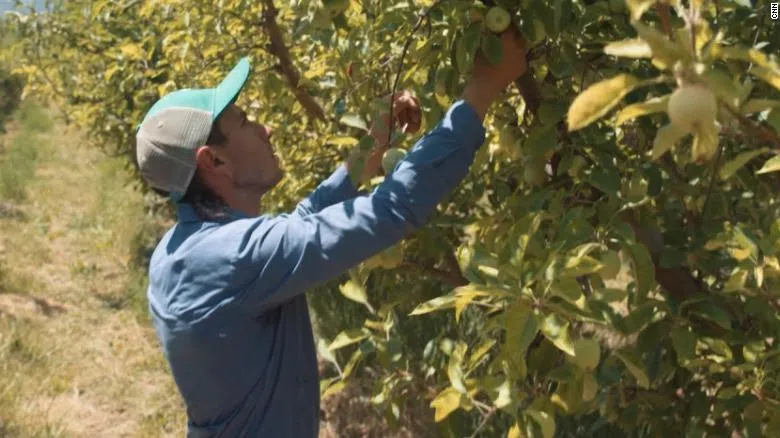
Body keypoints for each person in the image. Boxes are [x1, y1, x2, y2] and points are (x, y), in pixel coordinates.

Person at [134, 27, 526, 437]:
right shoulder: (236, 258)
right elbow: (389, 209)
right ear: (214, 162)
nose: (266, 129)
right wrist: (482, 90)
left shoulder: (179, 252)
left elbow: (301, 224)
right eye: (246, 122)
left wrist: (374, 143)